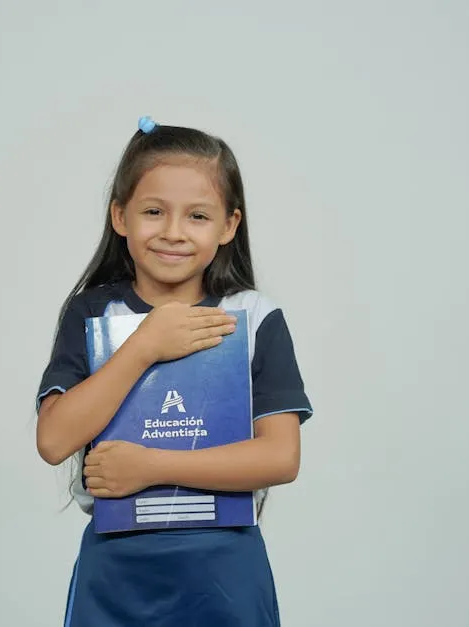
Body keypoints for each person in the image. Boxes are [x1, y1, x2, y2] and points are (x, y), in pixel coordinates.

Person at [34, 115, 313, 626]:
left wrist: (152, 467)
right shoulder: (92, 314)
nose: (172, 232)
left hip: (225, 567)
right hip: (116, 567)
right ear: (120, 216)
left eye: (198, 217)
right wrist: (144, 346)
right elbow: (54, 440)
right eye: (154, 211)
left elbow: (280, 456)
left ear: (230, 225)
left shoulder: (253, 316)